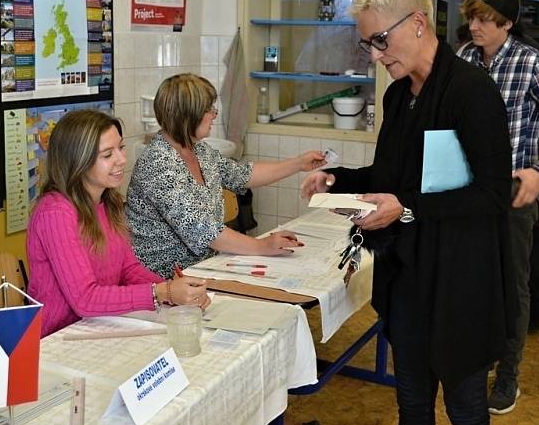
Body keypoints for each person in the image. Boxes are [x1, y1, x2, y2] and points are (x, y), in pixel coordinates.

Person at [301, 0, 516, 425]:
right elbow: (390, 178)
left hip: (462, 281)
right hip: (411, 279)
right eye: (368, 45)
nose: (376, 56)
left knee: (465, 411)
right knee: (412, 402)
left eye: (380, 40)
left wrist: (407, 210)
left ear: (418, 22)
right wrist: (338, 180)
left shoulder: (471, 92)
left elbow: (494, 194)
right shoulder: (400, 96)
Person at [458, 0, 539, 415]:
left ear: (507, 23)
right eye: (470, 18)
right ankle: (477, 357)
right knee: (474, 276)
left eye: (484, 19)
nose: (474, 26)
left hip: (513, 190)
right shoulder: (463, 59)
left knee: (513, 282)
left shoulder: (534, 64)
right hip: (466, 188)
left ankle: (508, 373)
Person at [27, 110, 210, 338]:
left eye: (121, 148)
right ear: (77, 162)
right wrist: (162, 292)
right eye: (107, 155)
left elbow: (128, 269)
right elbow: (85, 299)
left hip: (98, 326)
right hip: (57, 338)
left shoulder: (107, 201)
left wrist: (175, 291)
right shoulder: (54, 213)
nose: (122, 160)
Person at [126, 73, 326, 279]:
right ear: (187, 115)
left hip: (204, 268)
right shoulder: (158, 165)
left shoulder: (199, 151)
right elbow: (202, 230)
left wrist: (298, 163)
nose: (214, 114)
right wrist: (262, 245)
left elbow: (242, 175)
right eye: (208, 109)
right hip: (165, 280)